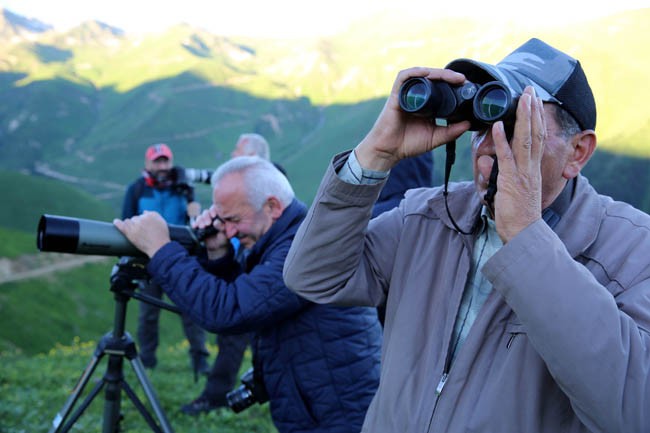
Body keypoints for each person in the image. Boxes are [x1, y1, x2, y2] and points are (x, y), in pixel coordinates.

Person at [283, 38, 650, 433]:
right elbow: (314, 276)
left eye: (516, 129)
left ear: (577, 152)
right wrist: (375, 155)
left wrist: (527, 237)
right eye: (483, 124)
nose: (488, 146)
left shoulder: (633, 252)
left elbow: (633, 412)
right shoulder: (427, 216)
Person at [114, 156, 382, 433]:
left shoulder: (304, 249)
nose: (227, 230)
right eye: (222, 219)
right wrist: (218, 253)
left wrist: (160, 250)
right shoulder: (284, 238)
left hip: (340, 414)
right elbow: (254, 294)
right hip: (317, 405)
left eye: (234, 219)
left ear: (272, 207)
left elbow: (230, 310)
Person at [181, 132, 287, 415]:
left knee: (235, 331)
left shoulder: (267, 190)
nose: (230, 156)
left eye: (236, 151)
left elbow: (229, 313)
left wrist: (161, 254)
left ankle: (216, 394)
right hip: (243, 264)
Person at [121, 143, 209, 374]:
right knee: (148, 314)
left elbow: (195, 224)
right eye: (157, 161)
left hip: (179, 259)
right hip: (147, 262)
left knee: (191, 310)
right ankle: (147, 360)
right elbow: (126, 224)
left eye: (165, 161)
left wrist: (193, 204)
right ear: (147, 164)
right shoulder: (137, 190)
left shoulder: (182, 188)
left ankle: (200, 359)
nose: (162, 166)